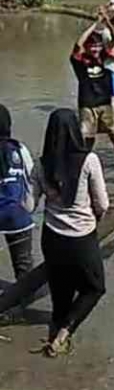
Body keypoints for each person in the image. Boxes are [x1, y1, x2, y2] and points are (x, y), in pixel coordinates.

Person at [31, 109, 109, 357]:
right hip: (81, 237)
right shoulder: (89, 160)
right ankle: (63, 334)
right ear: (75, 131)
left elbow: (28, 205)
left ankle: (56, 332)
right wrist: (95, 218)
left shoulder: (41, 164)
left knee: (60, 293)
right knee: (94, 288)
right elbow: (103, 204)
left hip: (52, 237)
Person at [70, 13, 114, 168]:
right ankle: (83, 168)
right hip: (87, 105)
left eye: (97, 46)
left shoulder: (104, 57)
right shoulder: (80, 61)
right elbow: (78, 44)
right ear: (87, 48)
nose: (95, 49)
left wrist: (107, 21)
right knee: (87, 139)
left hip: (105, 104)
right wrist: (95, 24)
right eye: (92, 46)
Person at [0, 105, 34, 287]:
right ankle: (23, 306)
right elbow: (30, 181)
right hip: (17, 216)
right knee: (24, 268)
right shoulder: (19, 149)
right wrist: (28, 209)